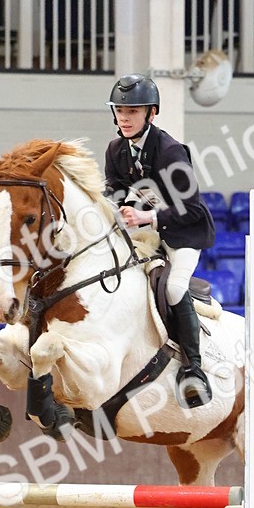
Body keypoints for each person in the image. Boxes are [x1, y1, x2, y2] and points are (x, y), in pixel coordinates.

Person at [104, 74, 215, 408]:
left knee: (173, 290)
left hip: (183, 231)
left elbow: (191, 207)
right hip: (146, 235)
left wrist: (146, 217)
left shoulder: (170, 151)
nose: (124, 117)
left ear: (151, 113)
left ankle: (194, 369)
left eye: (133, 111)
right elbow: (116, 189)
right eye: (120, 110)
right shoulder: (115, 150)